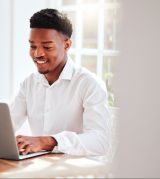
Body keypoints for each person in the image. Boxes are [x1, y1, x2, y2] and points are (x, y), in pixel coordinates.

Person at [10, 8, 111, 156]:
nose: (37, 54)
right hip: (38, 168)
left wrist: (47, 141)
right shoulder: (28, 84)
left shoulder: (89, 84)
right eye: (33, 46)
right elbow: (7, 124)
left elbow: (100, 141)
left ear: (67, 45)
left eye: (47, 47)